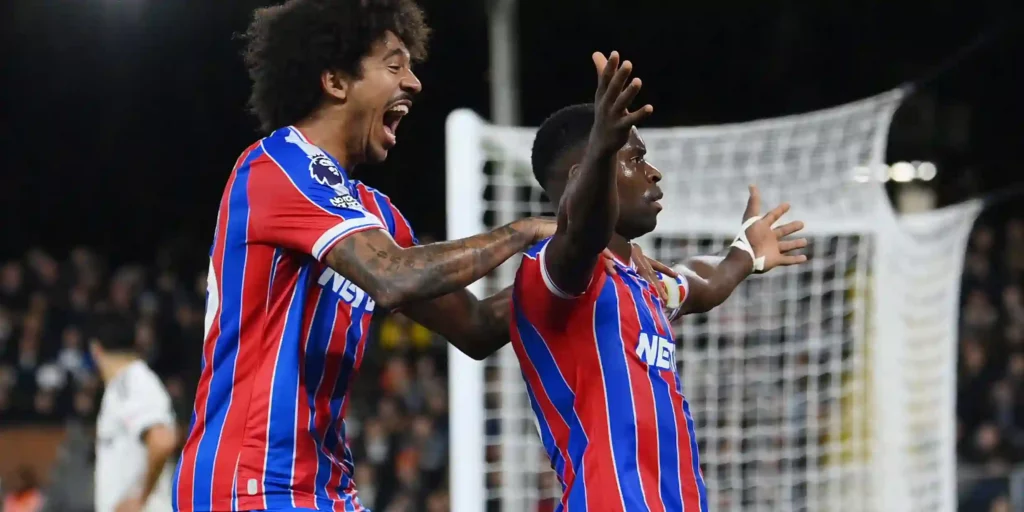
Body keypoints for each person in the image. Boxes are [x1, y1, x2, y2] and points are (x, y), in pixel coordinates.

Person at [171, 2, 670, 511]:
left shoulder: (374, 215)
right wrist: (522, 232)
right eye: (394, 65)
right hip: (249, 481)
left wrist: (574, 263)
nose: (413, 82)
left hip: (325, 486)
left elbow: (476, 326)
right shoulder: (278, 166)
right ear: (336, 81)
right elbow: (393, 277)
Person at [510, 51, 808, 511]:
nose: (653, 172)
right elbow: (581, 230)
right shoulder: (557, 273)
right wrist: (603, 147)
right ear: (584, 177)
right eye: (634, 158)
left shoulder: (643, 282)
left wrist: (744, 255)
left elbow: (699, 283)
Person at [89, 317, 178, 512]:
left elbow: (163, 440)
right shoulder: (120, 386)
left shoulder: (132, 380)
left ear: (96, 349)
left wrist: (141, 498)